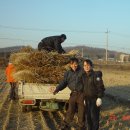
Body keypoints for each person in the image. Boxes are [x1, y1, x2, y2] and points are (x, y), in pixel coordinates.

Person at [53, 57, 85, 130]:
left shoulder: (82, 72)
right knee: (70, 111)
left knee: (81, 112)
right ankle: (65, 125)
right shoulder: (67, 73)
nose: (74, 65)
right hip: (73, 94)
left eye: (76, 64)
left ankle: (81, 127)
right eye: (72, 64)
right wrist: (57, 89)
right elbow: (64, 82)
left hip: (81, 94)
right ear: (70, 65)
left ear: (78, 64)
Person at [82, 59, 105, 130]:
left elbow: (101, 87)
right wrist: (84, 98)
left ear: (91, 66)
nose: (86, 67)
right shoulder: (84, 76)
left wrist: (99, 98)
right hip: (87, 99)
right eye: (85, 65)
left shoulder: (96, 75)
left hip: (94, 99)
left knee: (94, 117)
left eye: (88, 65)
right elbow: (84, 88)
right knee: (88, 117)